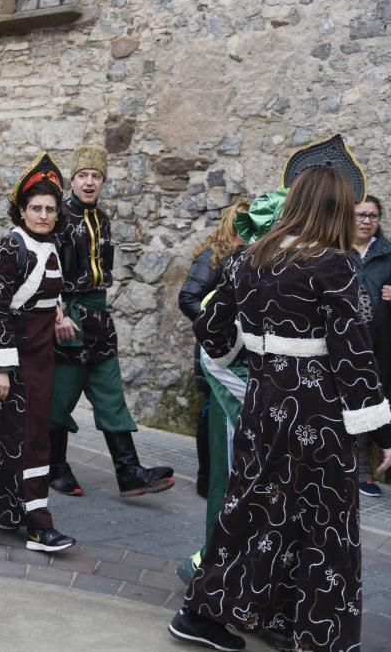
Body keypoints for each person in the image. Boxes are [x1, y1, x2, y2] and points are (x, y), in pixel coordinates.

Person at [169, 161, 391, 652]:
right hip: (316, 411)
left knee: (253, 511)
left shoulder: (251, 257)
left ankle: (203, 614)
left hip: (263, 403)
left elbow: (212, 331)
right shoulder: (332, 265)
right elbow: (353, 354)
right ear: (334, 211)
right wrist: (381, 433)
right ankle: (317, 633)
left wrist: (255, 348)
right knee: (323, 520)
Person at [49, 145, 174, 497]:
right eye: (83, 175)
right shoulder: (57, 216)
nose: (89, 182)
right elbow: (47, 265)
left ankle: (129, 472)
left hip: (99, 320)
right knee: (60, 399)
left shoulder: (101, 218)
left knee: (110, 394)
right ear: (71, 180)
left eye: (96, 176)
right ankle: (55, 466)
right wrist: (56, 311)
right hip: (68, 318)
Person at [0, 152, 77, 554]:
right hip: (11, 359)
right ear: (22, 210)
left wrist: (60, 313)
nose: (44, 215)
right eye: (36, 208)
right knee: (23, 438)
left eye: (50, 209)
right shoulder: (11, 248)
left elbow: (40, 294)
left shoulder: (49, 246)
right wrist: (0, 369)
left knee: (15, 434)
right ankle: (37, 524)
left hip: (40, 356)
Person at [175, 201, 249, 584]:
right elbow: (189, 298)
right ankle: (208, 480)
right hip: (218, 354)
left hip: (228, 353)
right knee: (211, 419)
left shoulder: (247, 257)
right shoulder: (215, 256)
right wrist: (220, 322)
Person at [350, 194, 391, 498]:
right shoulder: (335, 251)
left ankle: (365, 472)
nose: (366, 221)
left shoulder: (388, 254)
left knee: (370, 399)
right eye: (360, 215)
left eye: (372, 216)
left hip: (380, 341)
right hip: (343, 340)